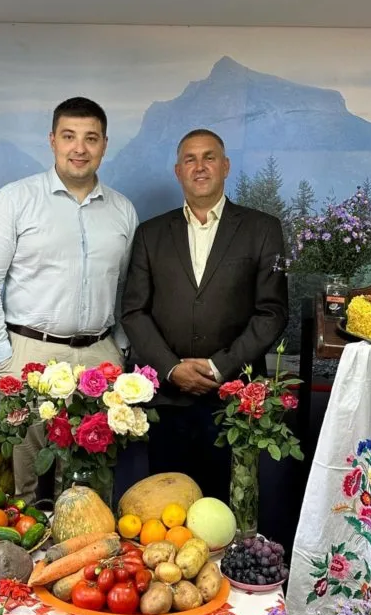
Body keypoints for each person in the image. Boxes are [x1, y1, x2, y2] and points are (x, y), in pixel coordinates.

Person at [0, 97, 138, 500]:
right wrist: (3, 357)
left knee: (87, 488)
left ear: (104, 145)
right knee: (18, 483)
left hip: (99, 358)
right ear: (52, 141)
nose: (80, 148)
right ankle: (17, 563)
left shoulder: (122, 211)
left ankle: (79, 561)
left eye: (90, 138)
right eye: (69, 136)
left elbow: (126, 289)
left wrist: (121, 349)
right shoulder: (14, 200)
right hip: (28, 354)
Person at [121, 128, 288, 500]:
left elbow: (272, 313)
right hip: (167, 399)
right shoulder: (150, 234)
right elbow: (133, 312)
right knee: (166, 510)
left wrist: (218, 367)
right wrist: (171, 367)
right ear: (178, 171)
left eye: (209, 157)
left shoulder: (261, 229)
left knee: (227, 511)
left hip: (232, 398)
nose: (200, 167)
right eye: (190, 159)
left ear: (225, 166)